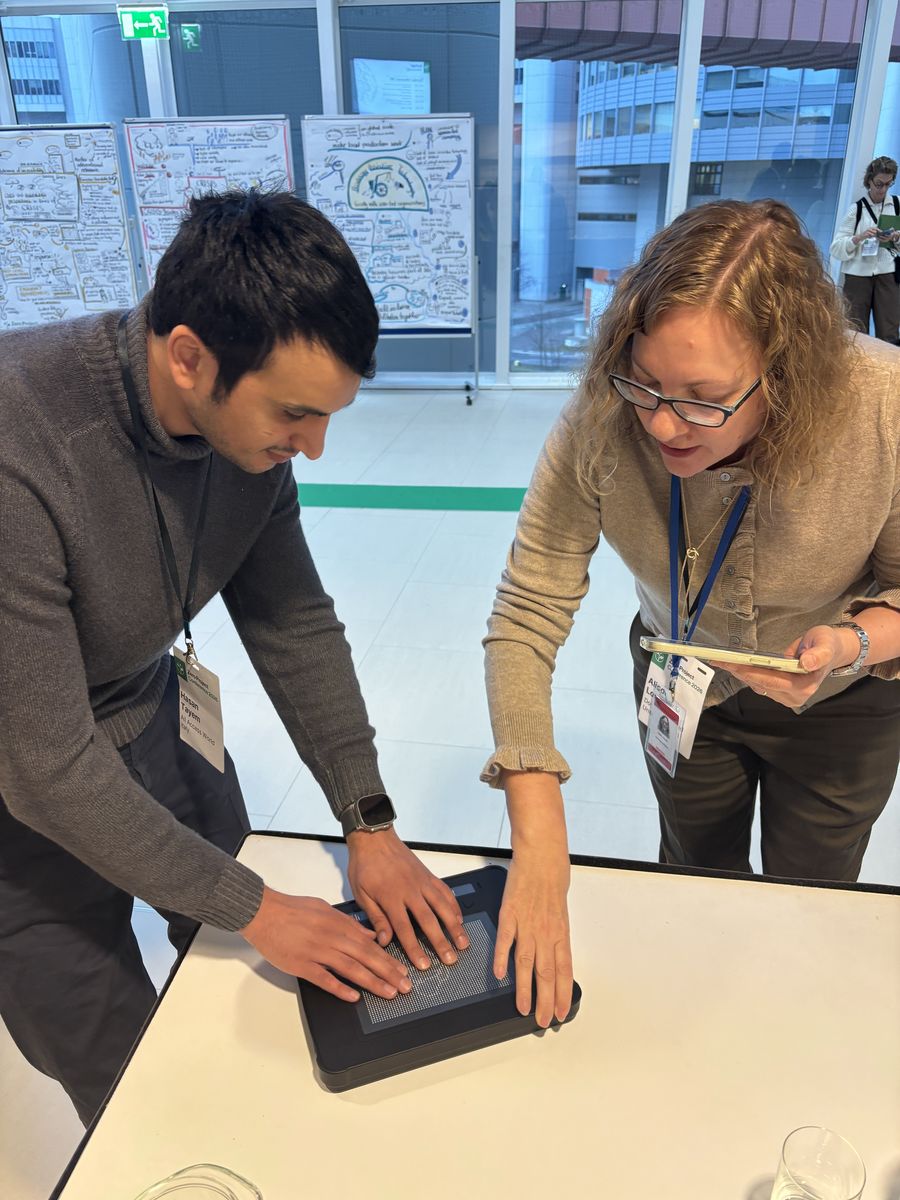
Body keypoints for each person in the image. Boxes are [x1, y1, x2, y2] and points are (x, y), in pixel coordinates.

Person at [0, 190, 468, 1126]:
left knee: (252, 987)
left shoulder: (252, 445)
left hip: (151, 709)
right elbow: (45, 766)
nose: (314, 448)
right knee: (127, 1079)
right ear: (188, 356)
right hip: (18, 779)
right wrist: (255, 906)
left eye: (329, 416)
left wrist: (368, 820)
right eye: (295, 413)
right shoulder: (24, 449)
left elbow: (294, 623)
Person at [481, 199, 900, 1031]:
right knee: (692, 870)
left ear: (788, 370)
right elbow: (528, 607)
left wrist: (852, 643)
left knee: (814, 893)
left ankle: (784, 1034)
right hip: (682, 680)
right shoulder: (606, 414)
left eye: (704, 399)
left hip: (844, 702)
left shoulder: (881, 404)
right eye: (646, 383)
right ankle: (695, 1029)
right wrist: (537, 829)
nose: (663, 423)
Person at [830, 155, 900, 343]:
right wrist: (859, 238)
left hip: (888, 274)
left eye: (888, 184)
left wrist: (896, 237)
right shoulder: (857, 209)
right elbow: (836, 248)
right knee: (855, 332)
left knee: (890, 333)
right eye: (879, 184)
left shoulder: (897, 205)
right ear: (869, 180)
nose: (883, 189)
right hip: (857, 276)